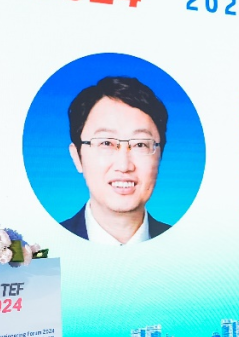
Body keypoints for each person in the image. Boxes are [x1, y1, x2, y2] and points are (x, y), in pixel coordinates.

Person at [61, 76, 170, 244]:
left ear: (160, 154)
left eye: (140, 144)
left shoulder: (189, 248)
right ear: (77, 157)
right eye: (106, 143)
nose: (124, 165)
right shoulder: (43, 246)